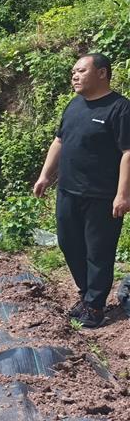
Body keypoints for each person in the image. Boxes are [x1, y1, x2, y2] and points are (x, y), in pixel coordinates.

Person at [33, 53, 130, 328]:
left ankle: (95, 307)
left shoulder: (120, 109)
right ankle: (85, 294)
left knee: (99, 251)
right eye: (73, 71)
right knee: (69, 243)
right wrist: (44, 175)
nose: (74, 76)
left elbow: (128, 152)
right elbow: (59, 141)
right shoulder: (74, 106)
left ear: (102, 73)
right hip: (68, 191)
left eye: (81, 71)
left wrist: (123, 194)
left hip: (101, 196)